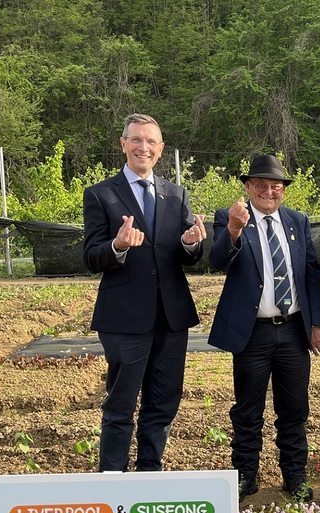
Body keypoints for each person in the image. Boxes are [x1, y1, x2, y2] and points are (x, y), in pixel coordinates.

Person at [83, 113, 207, 473]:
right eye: (136, 140)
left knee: (164, 402)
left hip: (171, 317)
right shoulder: (101, 195)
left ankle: (150, 472)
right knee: (121, 403)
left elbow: (189, 255)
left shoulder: (175, 193)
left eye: (151, 141)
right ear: (123, 144)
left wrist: (189, 243)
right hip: (124, 318)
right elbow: (91, 256)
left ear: (161, 149)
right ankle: (113, 479)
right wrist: (117, 246)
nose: (144, 147)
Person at [208, 155, 320, 503]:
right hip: (253, 334)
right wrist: (232, 229)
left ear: (283, 191)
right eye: (261, 185)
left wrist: (315, 324)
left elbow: (309, 274)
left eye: (276, 186)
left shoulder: (297, 221)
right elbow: (217, 260)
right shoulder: (232, 217)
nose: (269, 192)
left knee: (294, 409)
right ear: (248, 187)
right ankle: (246, 475)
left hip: (292, 331)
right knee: (247, 410)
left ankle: (295, 475)